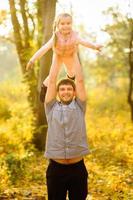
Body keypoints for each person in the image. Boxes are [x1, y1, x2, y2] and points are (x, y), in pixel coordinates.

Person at [44, 53, 89, 200]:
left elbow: (80, 80)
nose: (66, 92)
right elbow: (51, 82)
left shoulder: (80, 106)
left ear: (74, 92)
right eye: (62, 89)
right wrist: (57, 56)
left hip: (78, 169)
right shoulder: (50, 107)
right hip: (56, 169)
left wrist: (74, 51)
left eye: (69, 89)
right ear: (57, 93)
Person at [26, 13, 102, 86]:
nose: (66, 26)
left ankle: (70, 85)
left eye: (68, 23)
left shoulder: (74, 36)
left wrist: (95, 46)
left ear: (71, 24)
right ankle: (44, 88)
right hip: (58, 56)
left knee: (71, 72)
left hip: (69, 55)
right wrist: (32, 60)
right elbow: (44, 48)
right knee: (53, 75)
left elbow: (85, 42)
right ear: (57, 25)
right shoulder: (55, 37)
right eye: (62, 24)